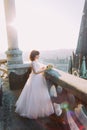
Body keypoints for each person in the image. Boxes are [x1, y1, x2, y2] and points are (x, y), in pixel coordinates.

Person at [15, 50, 54, 119]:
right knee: (34, 94)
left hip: (38, 78)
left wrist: (44, 68)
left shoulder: (36, 61)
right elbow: (36, 72)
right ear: (35, 55)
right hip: (35, 79)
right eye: (38, 55)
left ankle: (39, 108)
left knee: (39, 94)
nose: (39, 56)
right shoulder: (33, 62)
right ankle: (33, 111)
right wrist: (45, 69)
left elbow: (38, 69)